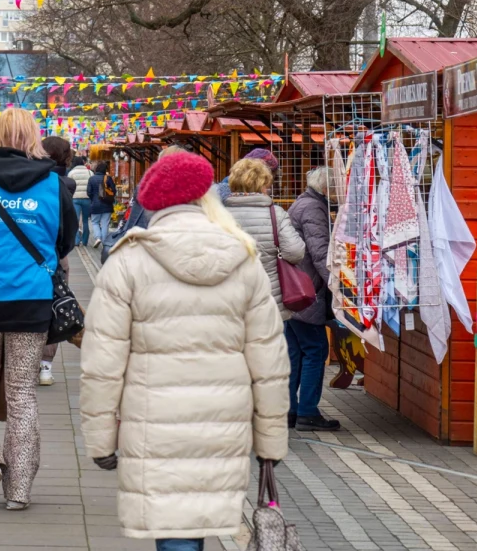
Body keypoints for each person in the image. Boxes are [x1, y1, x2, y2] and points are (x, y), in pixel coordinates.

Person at [79, 151, 290, 549]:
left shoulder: (129, 260)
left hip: (153, 422)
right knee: (194, 525)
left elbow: (102, 363)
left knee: (174, 529)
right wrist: (271, 440)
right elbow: (269, 361)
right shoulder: (242, 259)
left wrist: (102, 439)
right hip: (224, 421)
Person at [0, 108, 77, 510]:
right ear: (33, 138)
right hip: (30, 300)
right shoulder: (56, 187)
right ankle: (19, 489)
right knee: (22, 391)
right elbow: (65, 242)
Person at [285, 167, 341, 431]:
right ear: (326, 188)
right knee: (316, 349)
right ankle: (307, 411)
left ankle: (289, 410)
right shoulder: (314, 209)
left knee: (295, 352)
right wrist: (337, 283)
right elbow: (320, 253)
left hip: (294, 292)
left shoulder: (301, 203)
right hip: (307, 292)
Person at [223, 158, 306, 321]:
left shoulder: (219, 215)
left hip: (229, 301)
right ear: (262, 185)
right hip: (268, 300)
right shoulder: (276, 213)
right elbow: (295, 252)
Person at [37, 136, 76, 386]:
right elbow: (69, 227)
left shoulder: (36, 181)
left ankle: (25, 361)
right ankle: (45, 367)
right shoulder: (67, 183)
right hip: (56, 255)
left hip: (33, 252)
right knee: (56, 309)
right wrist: (61, 251)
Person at [86, 160, 116, 248]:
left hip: (95, 205)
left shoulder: (91, 178)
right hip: (107, 205)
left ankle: (98, 237)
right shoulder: (108, 178)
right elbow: (114, 191)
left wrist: (93, 199)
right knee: (105, 223)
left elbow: (89, 192)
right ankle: (104, 242)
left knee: (95, 222)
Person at [67, 156, 92, 246]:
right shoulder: (90, 172)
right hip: (87, 198)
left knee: (76, 220)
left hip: (75, 198)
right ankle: (85, 241)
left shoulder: (71, 173)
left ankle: (76, 241)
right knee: (86, 220)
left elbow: (69, 185)